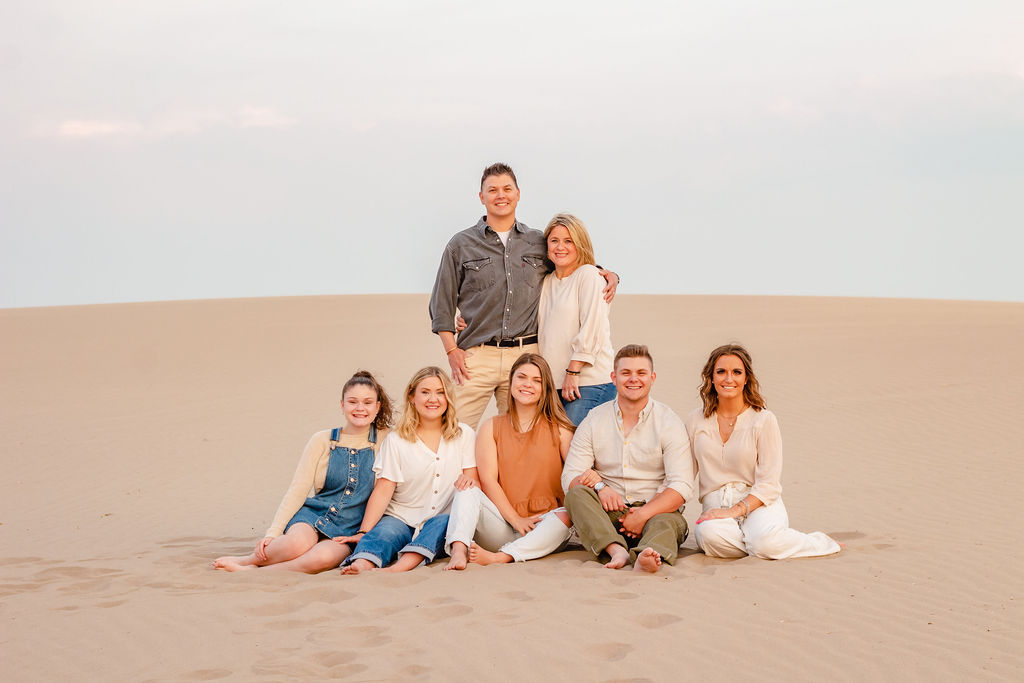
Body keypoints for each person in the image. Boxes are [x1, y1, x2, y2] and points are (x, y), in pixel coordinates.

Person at [428, 162, 618, 429]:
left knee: (522, 434)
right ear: (481, 197)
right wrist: (452, 351)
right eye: (492, 190)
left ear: (518, 193)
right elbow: (441, 304)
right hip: (477, 357)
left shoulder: (537, 241)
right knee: (452, 429)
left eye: (507, 188)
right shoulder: (460, 244)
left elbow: (569, 264)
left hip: (527, 356)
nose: (500, 195)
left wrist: (606, 273)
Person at [212, 371, 393, 573]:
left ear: (377, 407)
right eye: (352, 402)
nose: (360, 408)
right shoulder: (322, 440)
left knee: (321, 558)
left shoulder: (387, 441)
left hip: (350, 529)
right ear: (342, 405)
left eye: (367, 402)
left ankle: (254, 571)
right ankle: (247, 560)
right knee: (295, 545)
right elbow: (298, 489)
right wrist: (273, 533)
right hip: (313, 516)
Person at [685, 344, 841, 559]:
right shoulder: (695, 420)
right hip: (716, 506)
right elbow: (684, 476)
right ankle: (760, 544)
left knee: (766, 543)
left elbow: (769, 483)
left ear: (746, 379)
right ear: (711, 377)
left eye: (736, 372)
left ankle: (816, 542)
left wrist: (734, 511)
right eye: (721, 371)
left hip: (758, 502)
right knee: (708, 536)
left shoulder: (763, 420)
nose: (728, 379)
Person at [561, 344, 694, 573]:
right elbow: (570, 475)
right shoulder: (594, 419)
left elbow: (681, 486)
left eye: (641, 373)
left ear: (652, 378)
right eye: (626, 373)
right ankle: (615, 550)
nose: (634, 379)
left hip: (655, 512)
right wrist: (601, 487)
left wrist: (643, 514)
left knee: (669, 522)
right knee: (576, 495)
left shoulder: (668, 422)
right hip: (607, 515)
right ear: (613, 377)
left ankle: (648, 555)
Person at [339, 367, 477, 574]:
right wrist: (364, 531)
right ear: (412, 396)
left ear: (448, 397)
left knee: (443, 524)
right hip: (401, 516)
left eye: (440, 392)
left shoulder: (463, 434)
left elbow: (472, 483)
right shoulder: (397, 440)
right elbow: (384, 489)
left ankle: (400, 568)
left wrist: (469, 480)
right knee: (384, 533)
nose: (433, 399)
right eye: (425, 392)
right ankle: (362, 564)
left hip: (442, 515)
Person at [444, 353, 575, 569]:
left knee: (566, 514)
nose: (527, 385)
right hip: (502, 525)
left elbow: (573, 478)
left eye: (537, 380)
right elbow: (488, 481)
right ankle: (459, 549)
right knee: (466, 489)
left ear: (546, 388)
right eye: (522, 377)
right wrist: (515, 520)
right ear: (511, 381)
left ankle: (501, 558)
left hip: (544, 529)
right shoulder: (491, 427)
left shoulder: (560, 429)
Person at [538, 213, 615, 426]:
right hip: (554, 386)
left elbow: (593, 327)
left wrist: (573, 371)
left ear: (580, 244)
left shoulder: (589, 275)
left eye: (568, 241)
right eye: (554, 240)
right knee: (557, 452)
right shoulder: (546, 283)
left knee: (574, 452)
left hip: (588, 382)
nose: (560, 247)